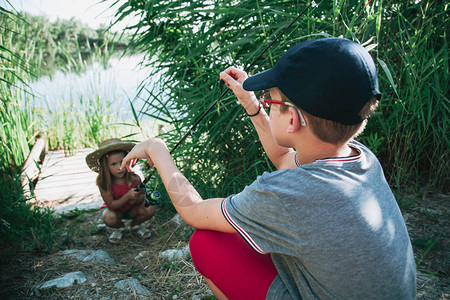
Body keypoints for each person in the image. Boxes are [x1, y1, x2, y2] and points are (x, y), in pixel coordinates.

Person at [121, 38, 416, 299]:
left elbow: (193, 211)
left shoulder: (288, 195)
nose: (266, 104)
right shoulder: (360, 159)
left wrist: (156, 149)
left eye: (270, 100)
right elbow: (285, 160)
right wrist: (251, 103)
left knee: (207, 242)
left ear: (292, 120)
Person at [86, 138, 156, 244]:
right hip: (116, 212)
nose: (120, 168)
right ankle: (119, 228)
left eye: (122, 162)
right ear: (105, 166)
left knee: (150, 208)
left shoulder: (135, 178)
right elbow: (111, 206)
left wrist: (137, 198)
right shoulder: (103, 182)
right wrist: (127, 197)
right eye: (113, 164)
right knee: (109, 217)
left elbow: (143, 195)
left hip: (133, 210)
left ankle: (135, 225)